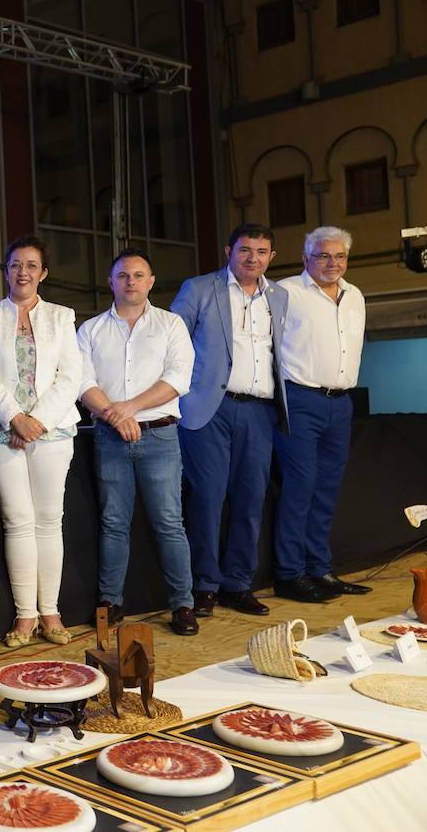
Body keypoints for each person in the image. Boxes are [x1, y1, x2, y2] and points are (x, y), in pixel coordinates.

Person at [77, 248, 198, 636]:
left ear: (151, 281)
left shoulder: (171, 325)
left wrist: (127, 408)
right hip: (110, 438)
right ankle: (110, 603)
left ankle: (183, 604)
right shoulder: (90, 329)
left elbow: (179, 378)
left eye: (138, 275)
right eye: (123, 275)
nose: (131, 281)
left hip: (160, 434)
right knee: (113, 522)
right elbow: (82, 383)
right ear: (111, 282)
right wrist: (116, 416)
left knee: (168, 522)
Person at [0, 236, 81, 648]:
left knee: (50, 521)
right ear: (6, 270)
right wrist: (15, 418)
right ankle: (24, 616)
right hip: (1, 429)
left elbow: (70, 376)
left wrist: (37, 420)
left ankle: (50, 612)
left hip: (52, 429)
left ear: (43, 273)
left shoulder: (62, 316)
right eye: (16, 264)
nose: (23, 272)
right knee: (17, 521)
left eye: (31, 265)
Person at [171, 224, 286, 618]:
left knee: (251, 499)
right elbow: (173, 340)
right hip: (209, 409)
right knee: (207, 498)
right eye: (245, 249)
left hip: (259, 410)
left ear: (271, 256)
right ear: (228, 251)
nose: (253, 257)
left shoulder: (280, 296)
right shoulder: (199, 289)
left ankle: (238, 584)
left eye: (262, 250)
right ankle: (204, 585)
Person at [271, 226, 371, 602]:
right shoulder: (285, 292)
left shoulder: (355, 294)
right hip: (300, 399)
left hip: (341, 402)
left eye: (340, 256)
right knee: (300, 487)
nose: (333, 263)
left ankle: (320, 569)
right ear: (305, 258)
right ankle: (289, 574)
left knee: (327, 490)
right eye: (323, 256)